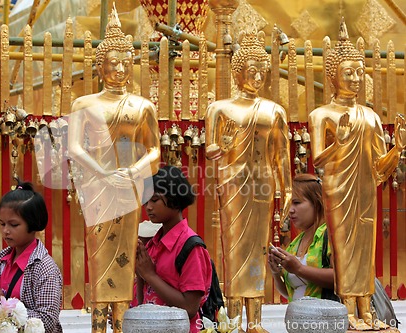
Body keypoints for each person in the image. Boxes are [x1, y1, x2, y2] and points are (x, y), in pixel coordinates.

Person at [67, 5, 160, 333]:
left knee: (125, 255)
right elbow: (74, 148)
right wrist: (103, 173)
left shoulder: (142, 106)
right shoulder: (84, 104)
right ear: (99, 66)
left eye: (125, 62)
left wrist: (134, 172)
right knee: (99, 255)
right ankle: (97, 323)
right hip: (97, 188)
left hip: (128, 188)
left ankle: (120, 322)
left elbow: (155, 151)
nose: (119, 68)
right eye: (112, 62)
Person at [308, 19, 406, 331]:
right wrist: (339, 142)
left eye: (359, 72)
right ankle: (348, 312)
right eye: (347, 72)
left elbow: (379, 168)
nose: (355, 78)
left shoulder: (371, 117)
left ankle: (369, 313)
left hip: (365, 193)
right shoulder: (321, 115)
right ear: (332, 76)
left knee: (366, 254)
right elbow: (318, 160)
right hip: (338, 191)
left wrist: (398, 150)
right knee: (344, 252)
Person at [205, 29, 292, 333]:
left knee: (259, 249)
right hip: (232, 186)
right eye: (250, 70)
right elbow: (210, 151)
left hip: (262, 186)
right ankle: (233, 320)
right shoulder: (219, 109)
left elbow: (281, 156)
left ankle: (255, 321)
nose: (257, 77)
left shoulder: (273, 111)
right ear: (237, 71)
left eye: (261, 72)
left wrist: (288, 191)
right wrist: (224, 145)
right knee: (233, 251)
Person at [0, 181, 63, 333]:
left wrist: (1, 305)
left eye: (13, 225)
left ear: (33, 224)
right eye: (2, 224)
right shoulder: (3, 259)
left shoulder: (44, 267)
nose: (6, 231)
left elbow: (47, 321)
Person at [135, 166, 212, 333]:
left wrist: (149, 274)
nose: (148, 207)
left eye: (154, 200)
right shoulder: (153, 244)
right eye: (146, 201)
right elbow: (144, 299)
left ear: (175, 201)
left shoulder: (191, 247)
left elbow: (190, 307)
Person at [268, 174, 334, 302]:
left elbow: (342, 279)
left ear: (317, 203)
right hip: (298, 319)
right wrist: (276, 272)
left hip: (325, 319)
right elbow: (289, 292)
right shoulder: (295, 243)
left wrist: (299, 269)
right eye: (289, 204)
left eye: (297, 203)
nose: (290, 210)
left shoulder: (331, 235)